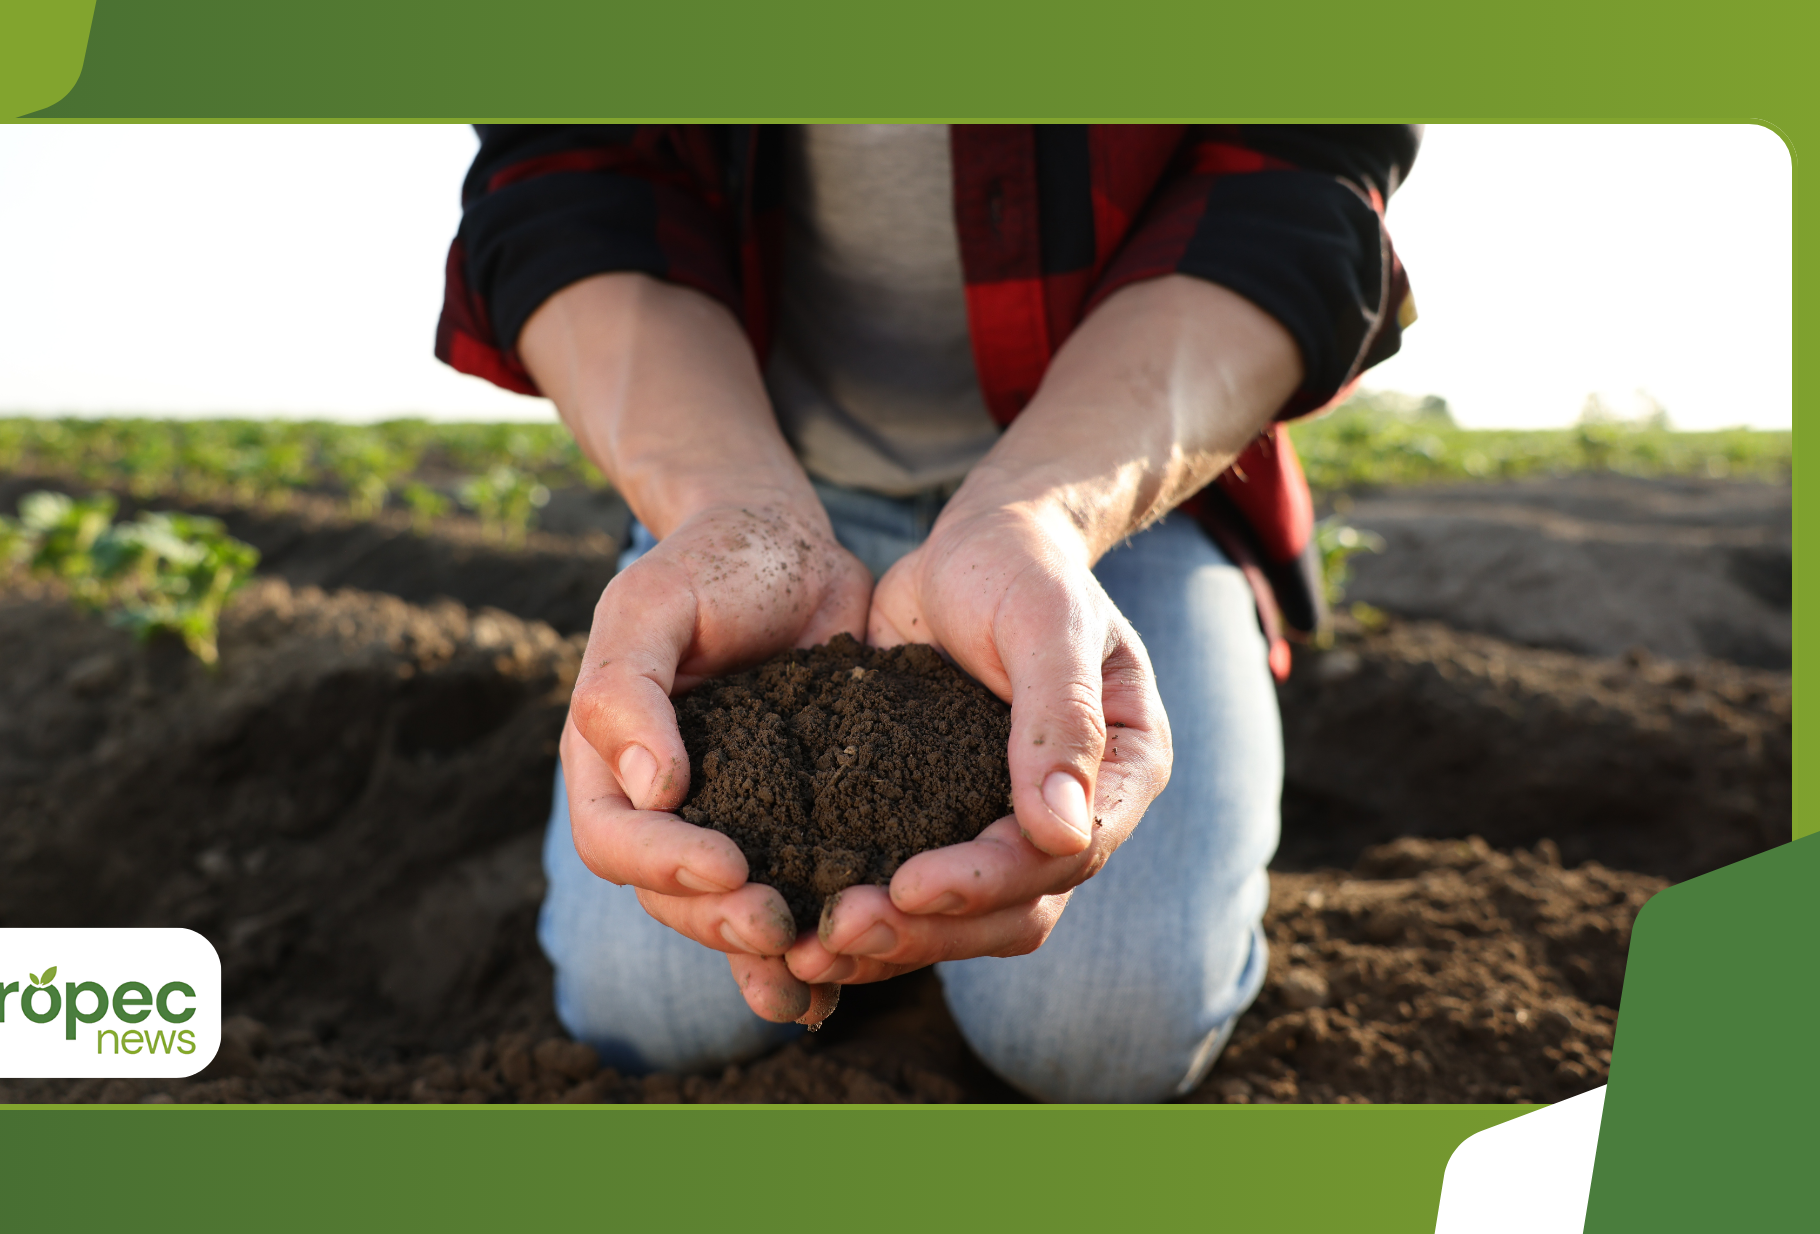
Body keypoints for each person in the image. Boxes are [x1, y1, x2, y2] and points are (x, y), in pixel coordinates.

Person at [437, 124, 1418, 1102]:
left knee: (1104, 1037)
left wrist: (1037, 516)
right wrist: (732, 511)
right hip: (751, 464)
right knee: (645, 1010)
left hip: (1112, 478)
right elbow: (565, 171)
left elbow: (1293, 183)